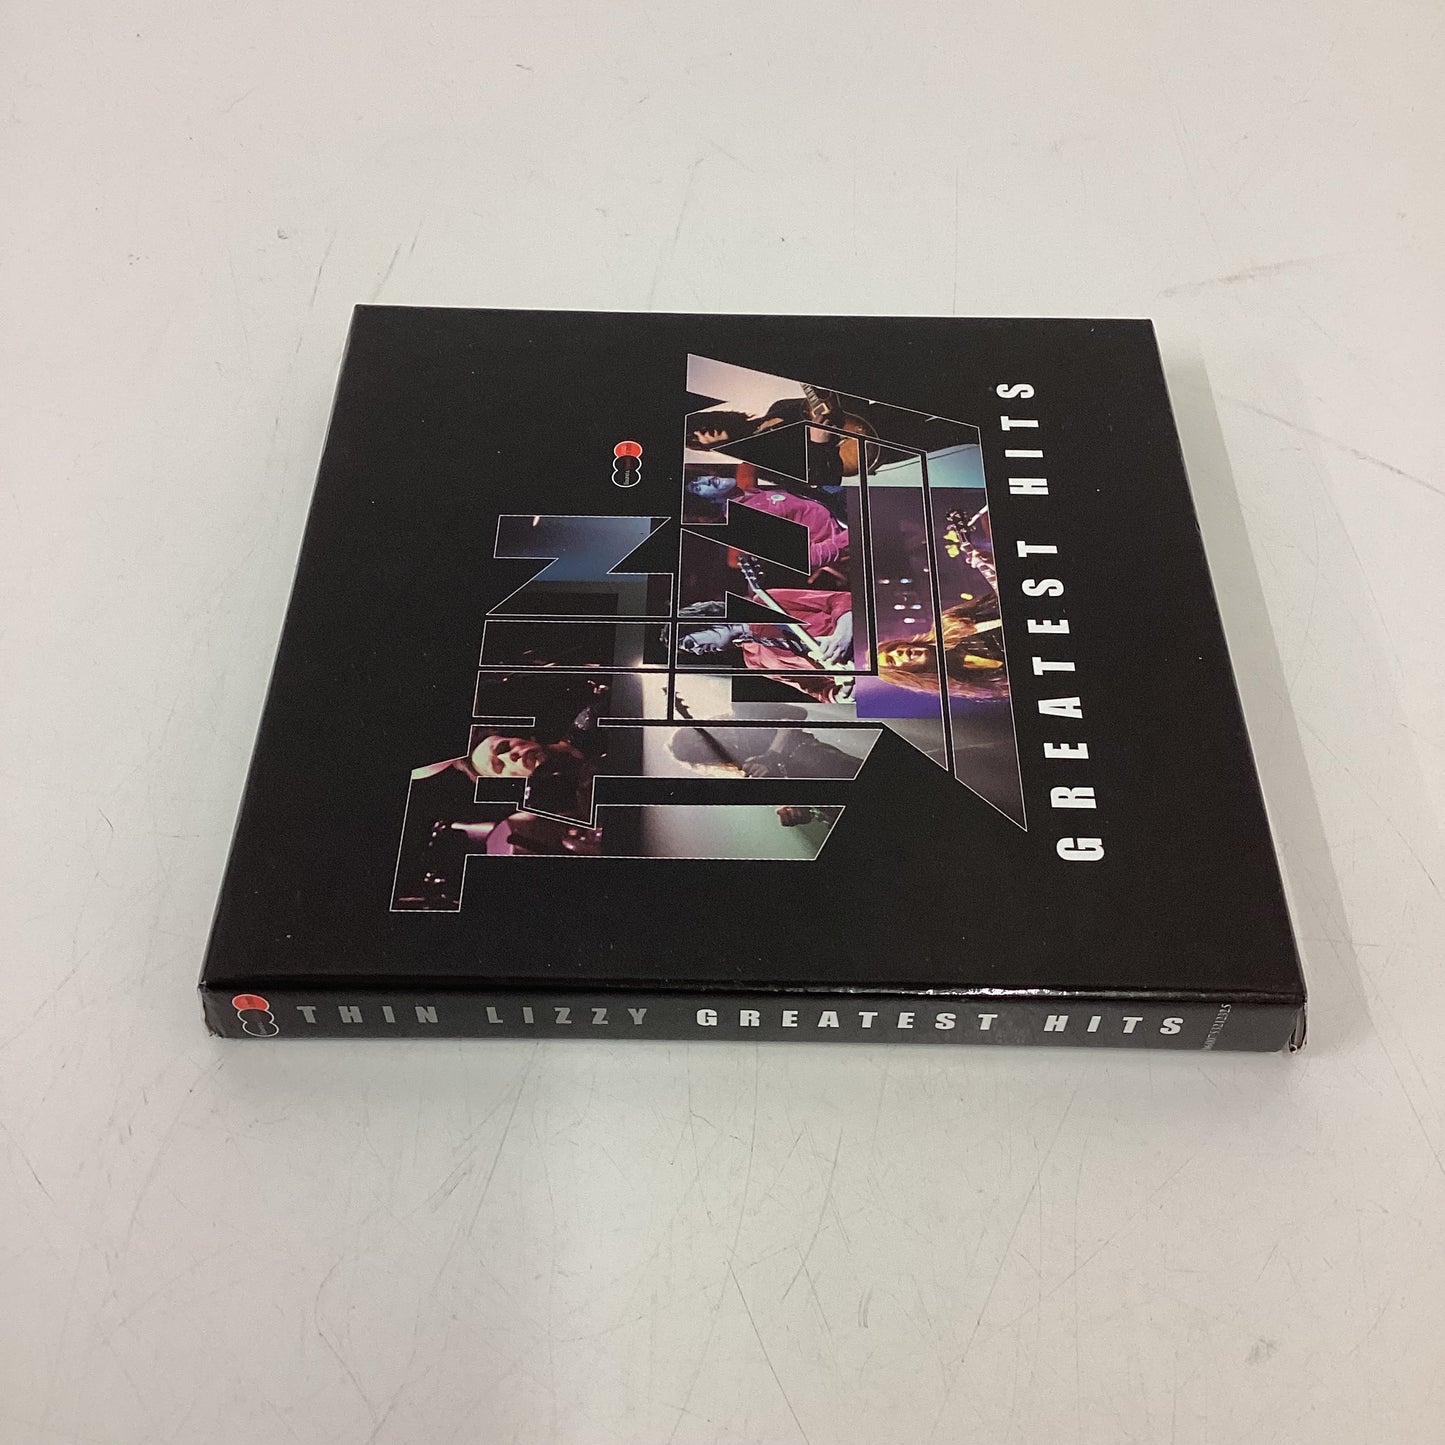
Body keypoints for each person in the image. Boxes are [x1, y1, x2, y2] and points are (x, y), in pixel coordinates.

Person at [685, 467, 848, 578]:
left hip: (836, 502)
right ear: (706, 503)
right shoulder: (745, 522)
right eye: (697, 488)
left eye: (698, 479)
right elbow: (810, 558)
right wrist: (850, 536)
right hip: (844, 525)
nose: (706, 481)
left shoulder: (747, 495)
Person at [875, 595, 1009, 700]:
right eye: (891, 660)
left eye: (892, 648)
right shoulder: (967, 686)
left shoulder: (949, 623)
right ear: (905, 675)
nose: (897, 651)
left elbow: (999, 596)